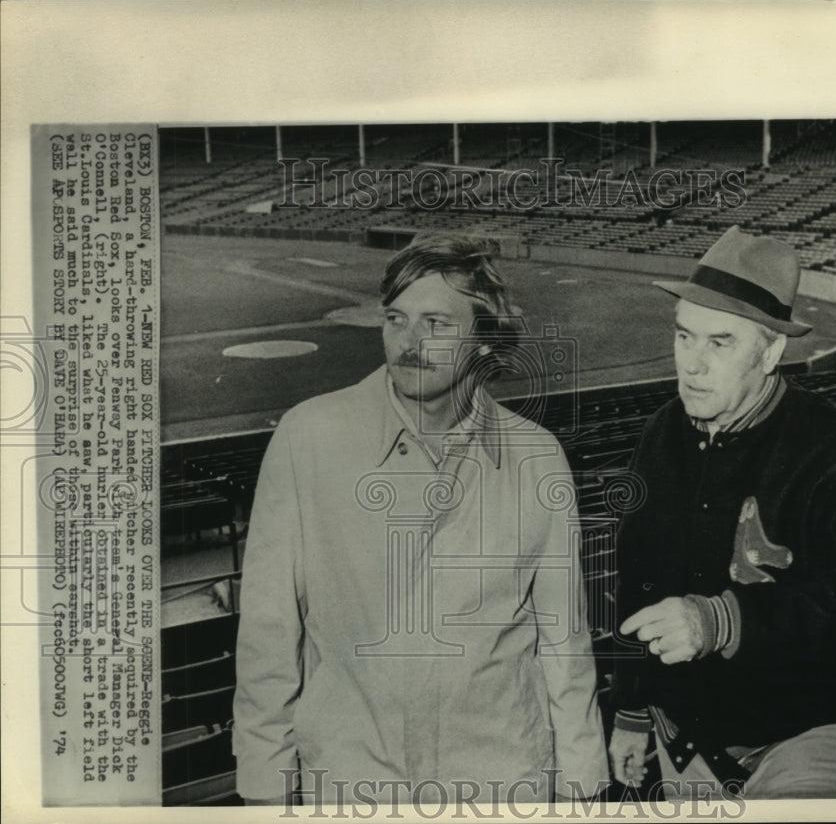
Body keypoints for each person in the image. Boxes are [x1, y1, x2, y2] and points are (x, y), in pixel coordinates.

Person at [233, 233, 607, 807]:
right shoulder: (308, 437)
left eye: (437, 323)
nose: (409, 343)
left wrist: (580, 788)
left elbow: (564, 643)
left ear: (483, 339)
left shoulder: (537, 455)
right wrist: (266, 793)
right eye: (396, 319)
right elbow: (268, 636)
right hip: (352, 782)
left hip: (501, 779)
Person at [608, 226, 836, 799]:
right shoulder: (660, 433)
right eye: (686, 337)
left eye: (720, 343)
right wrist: (632, 709)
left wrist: (723, 620)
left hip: (800, 730)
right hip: (684, 731)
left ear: (772, 351)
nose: (693, 364)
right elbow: (636, 579)